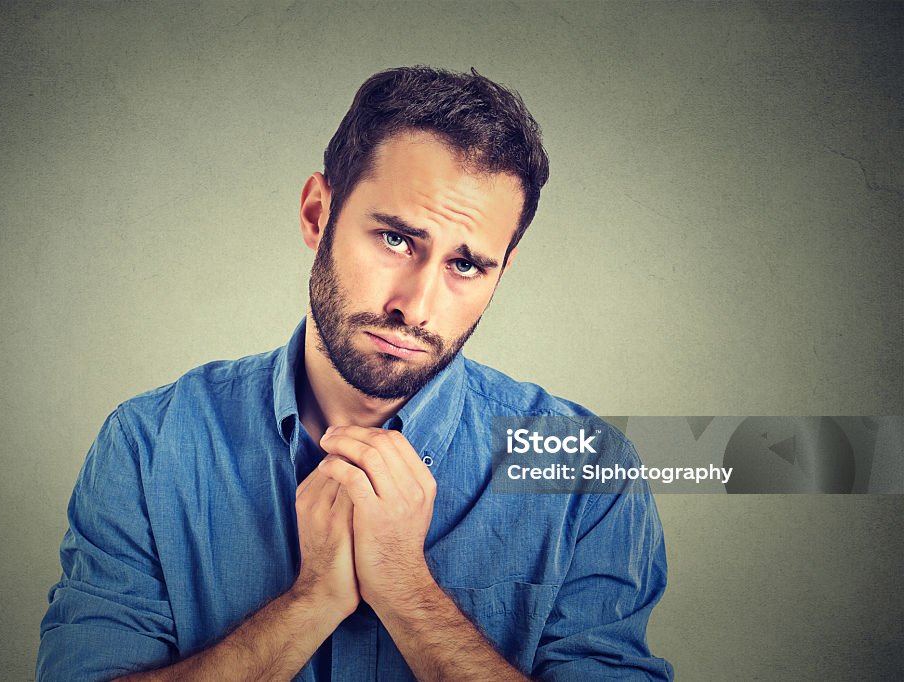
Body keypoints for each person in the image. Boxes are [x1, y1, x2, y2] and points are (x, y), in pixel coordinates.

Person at [37, 66, 674, 681]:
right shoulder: (148, 446)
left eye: (467, 265)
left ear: (502, 270)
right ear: (318, 214)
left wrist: (407, 591)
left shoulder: (590, 474)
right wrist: (310, 603)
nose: (415, 307)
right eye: (397, 239)